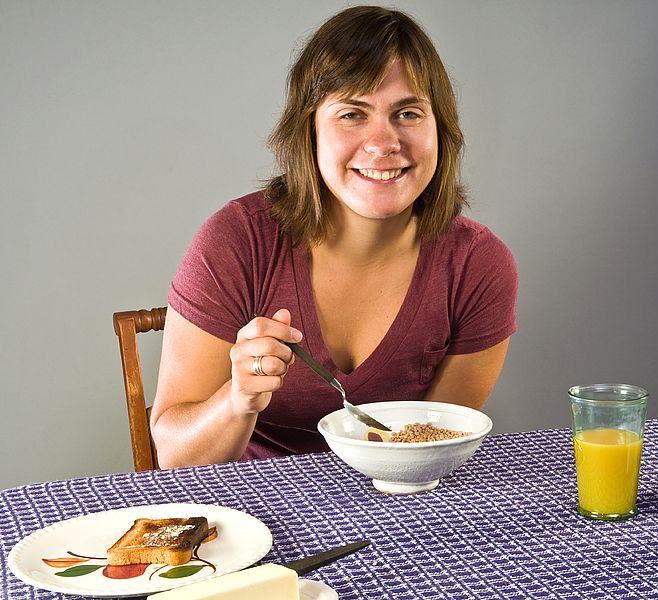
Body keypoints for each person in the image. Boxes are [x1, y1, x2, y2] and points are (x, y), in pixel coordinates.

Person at [150, 5, 518, 468]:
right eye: (352, 114)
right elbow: (175, 458)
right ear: (310, 132)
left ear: (440, 130)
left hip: (402, 507)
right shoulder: (238, 240)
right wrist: (238, 398)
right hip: (248, 514)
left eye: (407, 113)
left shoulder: (478, 266)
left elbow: (432, 454)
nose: (383, 143)